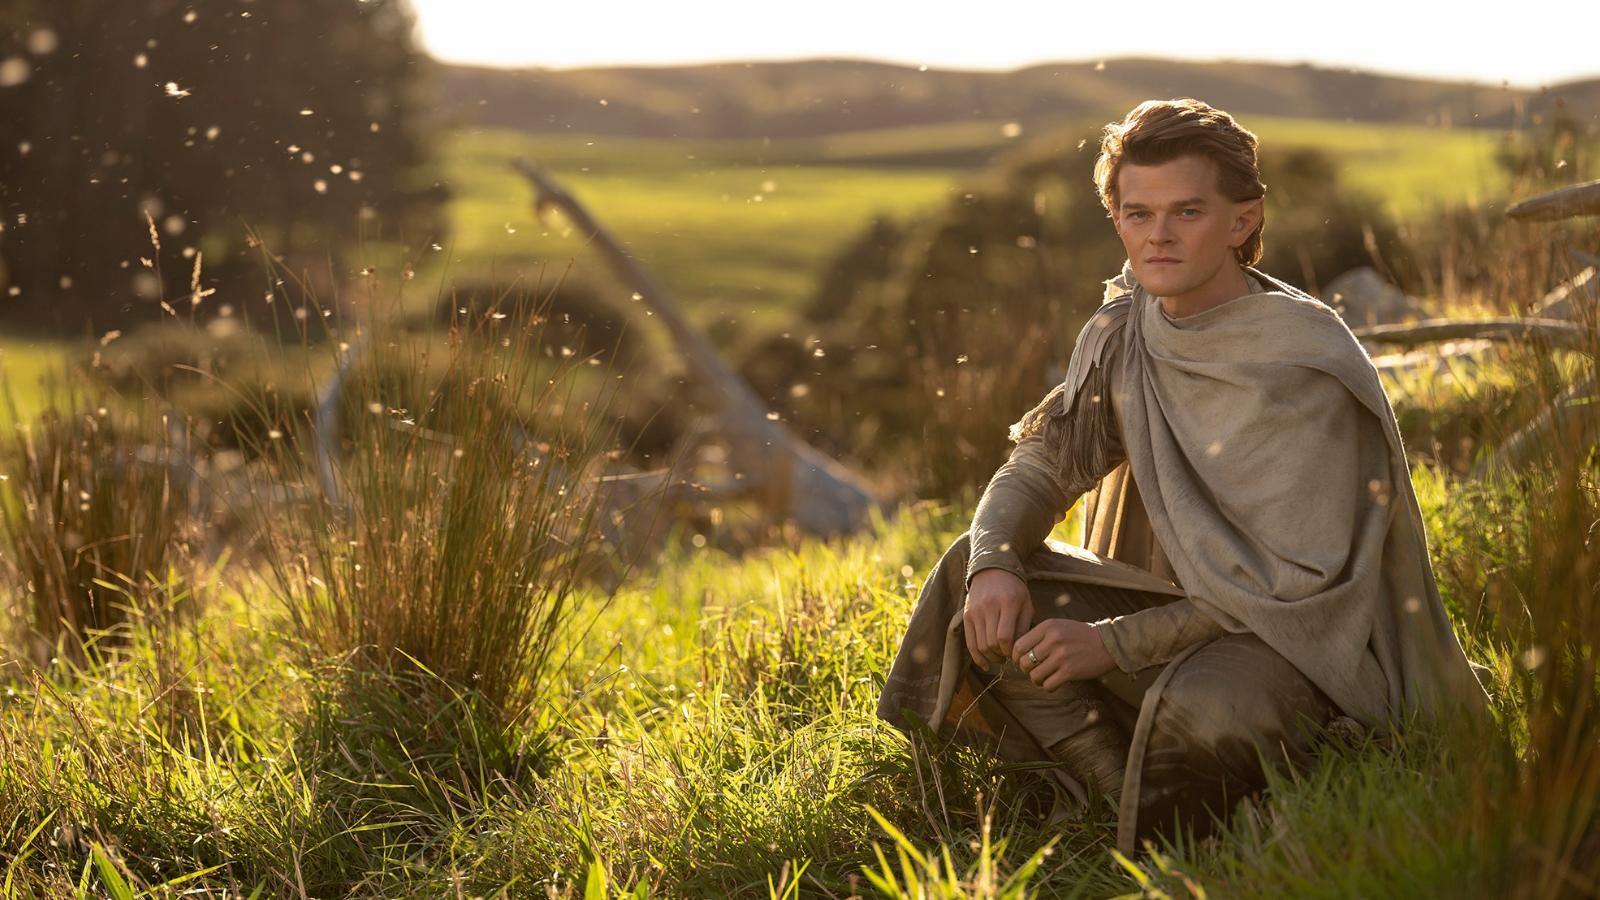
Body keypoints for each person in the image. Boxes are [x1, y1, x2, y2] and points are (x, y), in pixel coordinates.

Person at [876, 98, 1491, 855]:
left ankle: (1260, 796)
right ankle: (1113, 798)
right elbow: (1046, 460)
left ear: (1242, 220)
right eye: (1137, 214)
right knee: (970, 580)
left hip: (1298, 646)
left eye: (1187, 212)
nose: (1157, 236)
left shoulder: (1301, 363)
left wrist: (1114, 645)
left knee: (1209, 707)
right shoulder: (1126, 328)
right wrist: (996, 563)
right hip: (1187, 610)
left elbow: (1292, 590)